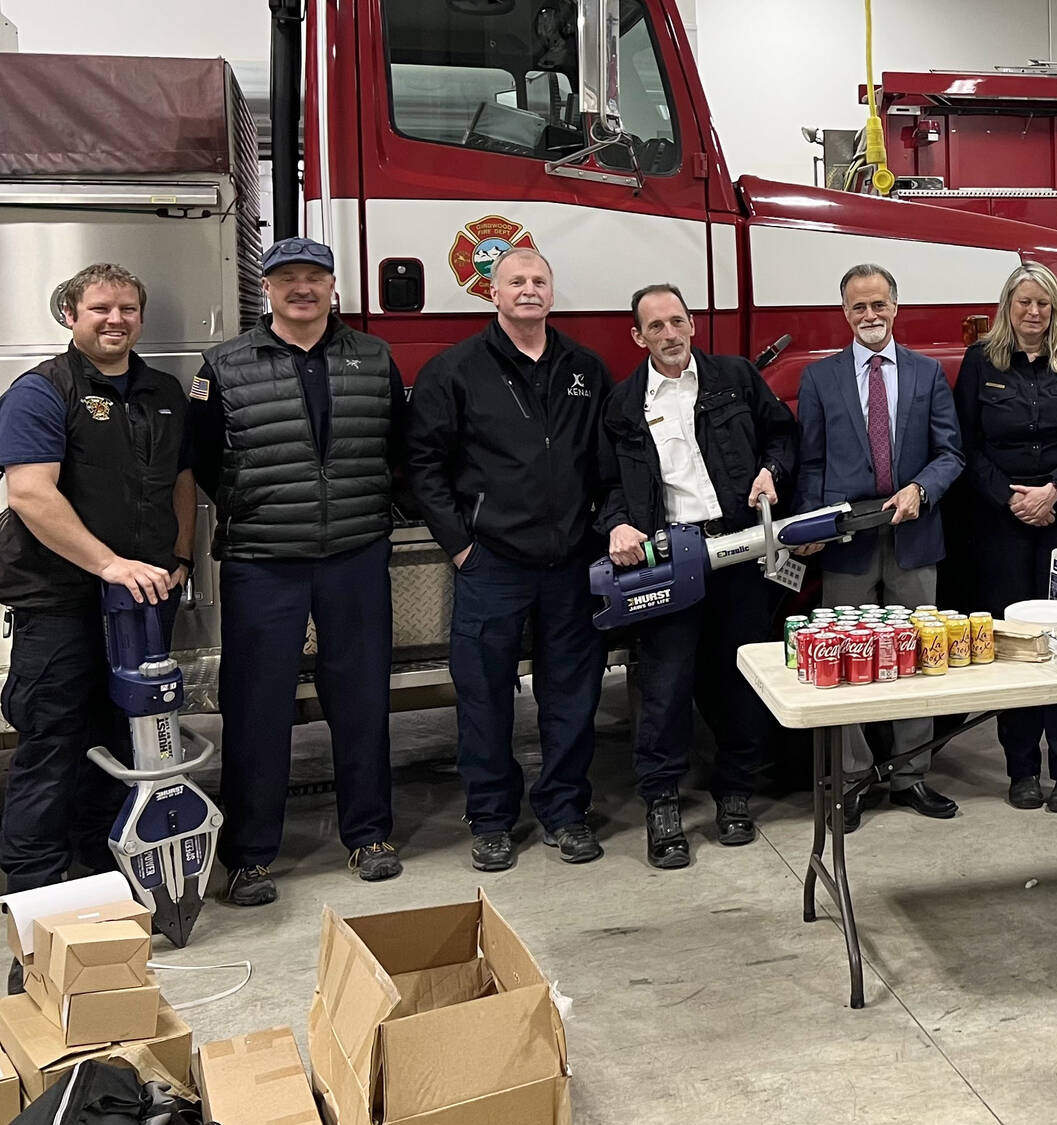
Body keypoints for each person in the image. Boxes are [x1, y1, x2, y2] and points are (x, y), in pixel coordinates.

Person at [188, 238, 406, 906]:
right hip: (263, 561)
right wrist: (253, 505)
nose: (302, 288)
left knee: (362, 698)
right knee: (257, 708)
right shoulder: (223, 366)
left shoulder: (373, 358)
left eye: (315, 277)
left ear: (334, 287)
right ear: (268, 289)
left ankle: (369, 836)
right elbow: (202, 461)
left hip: (355, 554)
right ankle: (251, 856)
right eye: (288, 278)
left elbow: (399, 441)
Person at [408, 248, 613, 871]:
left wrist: (603, 530)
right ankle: (492, 818)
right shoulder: (455, 371)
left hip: (572, 563)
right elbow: (422, 465)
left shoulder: (584, 367)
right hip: (491, 563)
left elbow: (605, 462)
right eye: (515, 282)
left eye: (539, 281)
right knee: (485, 695)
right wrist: (462, 545)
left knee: (572, 693)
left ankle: (565, 811)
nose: (529, 290)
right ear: (491, 294)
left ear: (552, 291)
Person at [0, 265, 195, 918]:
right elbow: (29, 492)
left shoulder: (163, 391)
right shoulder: (41, 392)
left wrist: (181, 555)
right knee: (52, 747)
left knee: (124, 743)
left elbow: (181, 481)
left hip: (139, 607)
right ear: (70, 316)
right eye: (100, 308)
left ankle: (108, 877)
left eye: (128, 308)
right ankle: (37, 906)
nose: (116, 320)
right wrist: (108, 563)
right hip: (60, 604)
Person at [598, 284, 796, 868]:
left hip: (737, 550)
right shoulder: (622, 404)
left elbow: (783, 434)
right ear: (638, 337)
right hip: (668, 557)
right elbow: (607, 485)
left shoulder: (734, 377)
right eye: (655, 326)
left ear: (692, 326)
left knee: (739, 677)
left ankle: (735, 794)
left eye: (677, 322)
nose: (669, 334)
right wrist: (617, 526)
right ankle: (662, 805)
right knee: (664, 685)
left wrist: (770, 470)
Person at [796, 264, 965, 828]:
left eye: (879, 306)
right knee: (845, 663)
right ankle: (853, 779)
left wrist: (921, 488)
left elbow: (951, 454)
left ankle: (912, 776)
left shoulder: (927, 374)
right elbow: (812, 462)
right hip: (846, 540)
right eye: (858, 308)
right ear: (844, 313)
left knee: (918, 656)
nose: (870, 316)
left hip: (915, 533)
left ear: (897, 307)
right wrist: (811, 527)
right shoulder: (821, 380)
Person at [954, 263, 1057, 813]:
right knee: (1015, 642)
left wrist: (1053, 491)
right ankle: (1021, 769)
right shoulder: (982, 361)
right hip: (1001, 518)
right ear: (1007, 306)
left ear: (1056, 307)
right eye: (1024, 302)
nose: (1034, 313)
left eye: (1044, 303)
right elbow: (965, 445)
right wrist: (1012, 498)